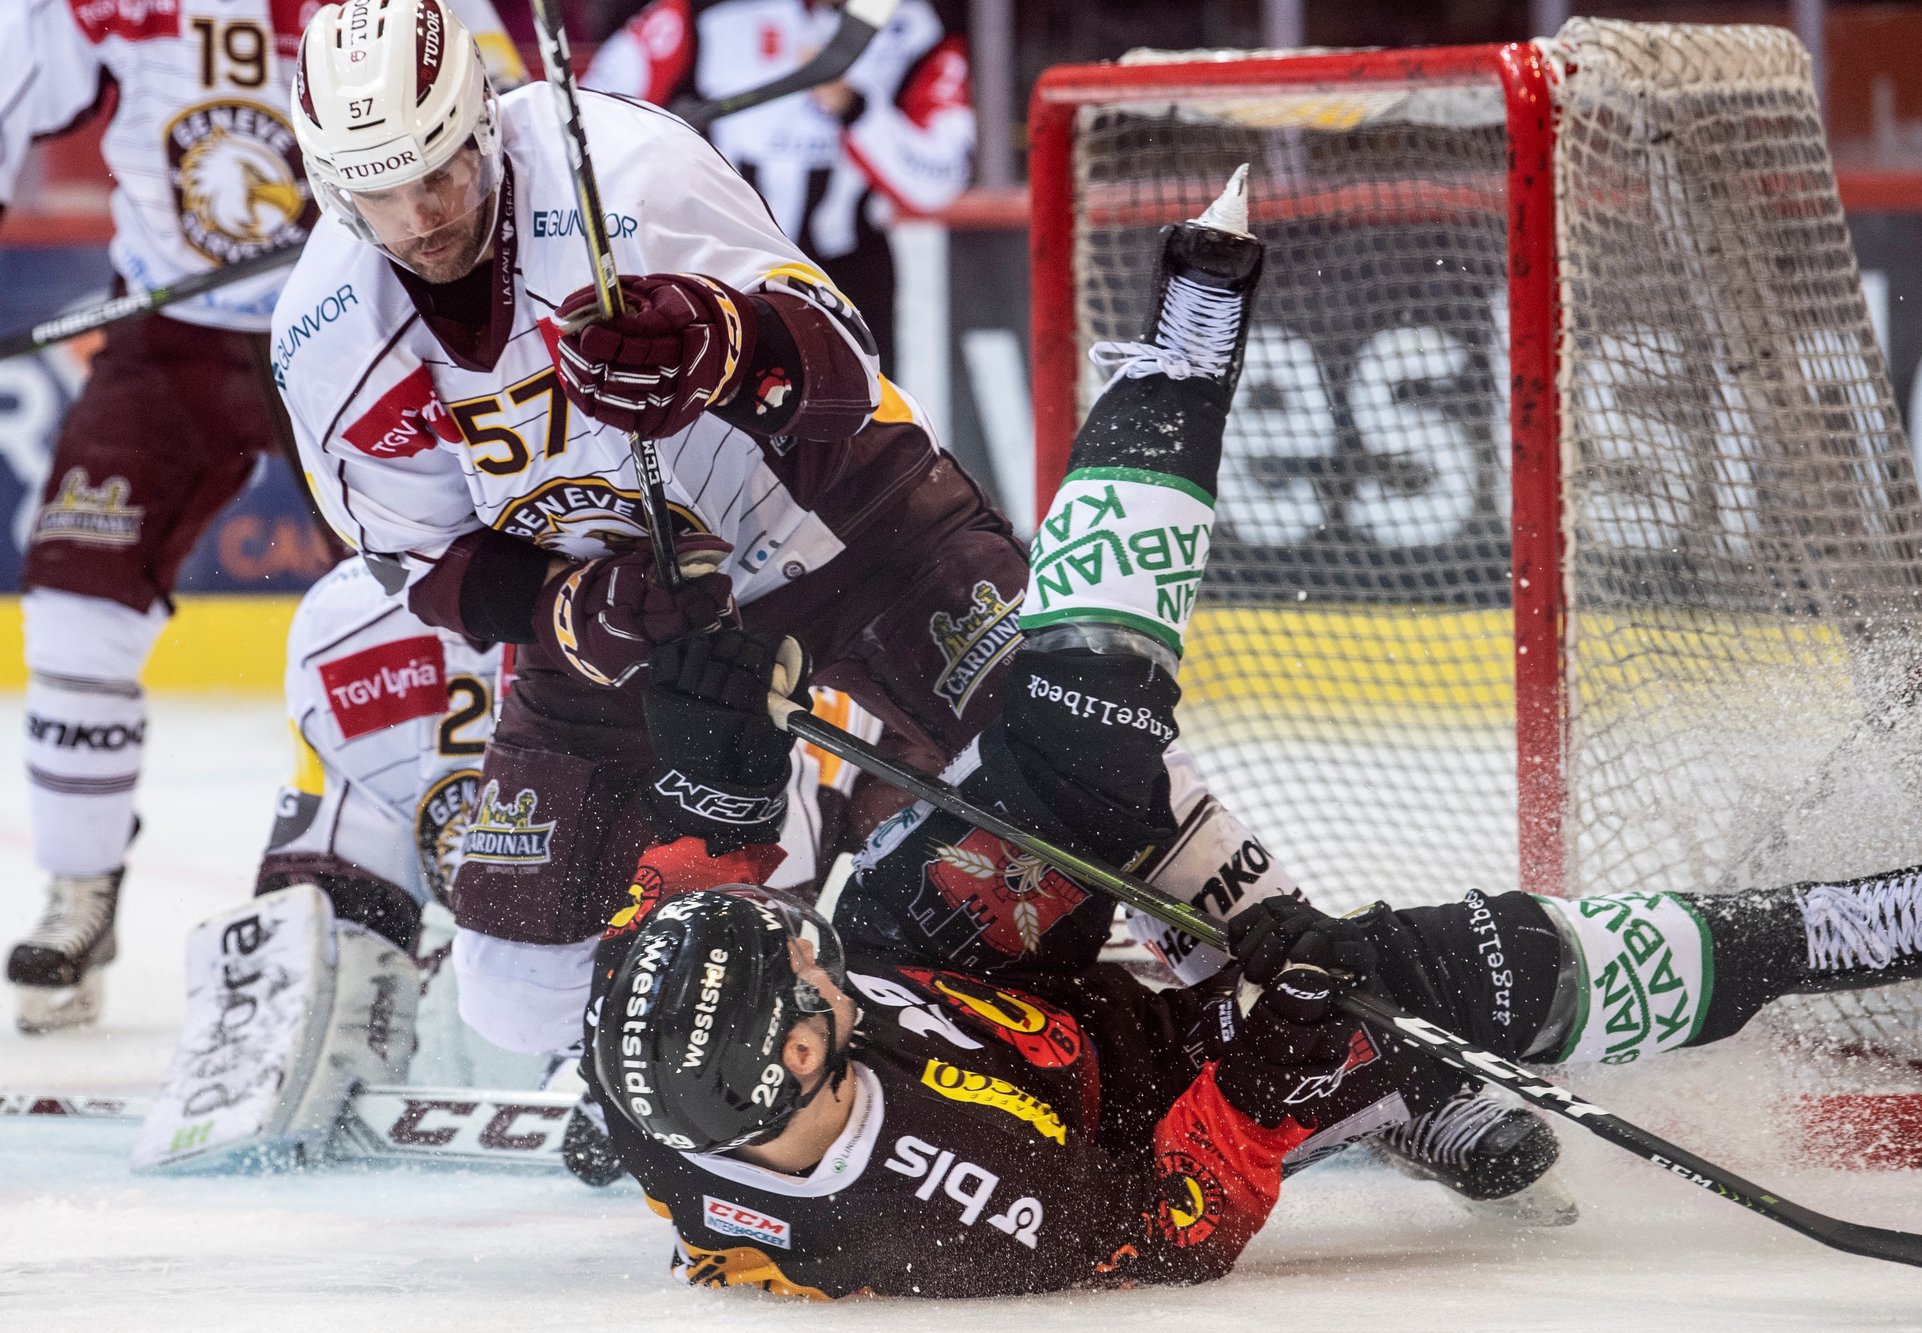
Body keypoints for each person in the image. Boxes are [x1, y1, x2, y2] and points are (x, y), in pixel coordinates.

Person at [572, 188, 1922, 1298]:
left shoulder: (669, 1047)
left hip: (957, 969)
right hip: (1148, 1102)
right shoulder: (948, 1218)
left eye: (790, 943)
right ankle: (1864, 927)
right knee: (1445, 971)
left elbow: (691, 892)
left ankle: (1182, 351)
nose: (811, 948)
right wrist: (1279, 1057)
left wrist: (715, 764)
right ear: (802, 1073)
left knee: (1079, 734)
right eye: (810, 977)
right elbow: (1174, 1231)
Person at [271, 0, 1313, 1081]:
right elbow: (420, 562)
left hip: (845, 523)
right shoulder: (323, 335)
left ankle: (1316, 1010)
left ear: (483, 124)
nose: (419, 218)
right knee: (514, 993)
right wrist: (576, 611)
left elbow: (843, 364)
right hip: (630, 623)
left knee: (1083, 746)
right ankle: (790, 842)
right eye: (377, 195)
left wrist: (720, 345)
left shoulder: (623, 169)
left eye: (438, 174)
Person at [0, 0, 523, 1035]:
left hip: (358, 315)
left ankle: (486, 886)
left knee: (445, 598)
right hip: (171, 329)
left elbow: (503, 112)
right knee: (71, 600)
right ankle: (78, 890)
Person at [129, 553, 882, 1171]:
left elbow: (778, 835)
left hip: (733, 938)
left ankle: (651, 1040)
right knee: (478, 986)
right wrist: (307, 994)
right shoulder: (351, 619)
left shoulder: (697, 580)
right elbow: (340, 855)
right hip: (510, 982)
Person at [581, 0, 974, 378]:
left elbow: (939, 179)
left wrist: (855, 109)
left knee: (863, 433)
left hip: (849, 274)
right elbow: (590, 119)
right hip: (719, 269)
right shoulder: (699, 11)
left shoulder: (920, 25)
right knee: (716, 437)